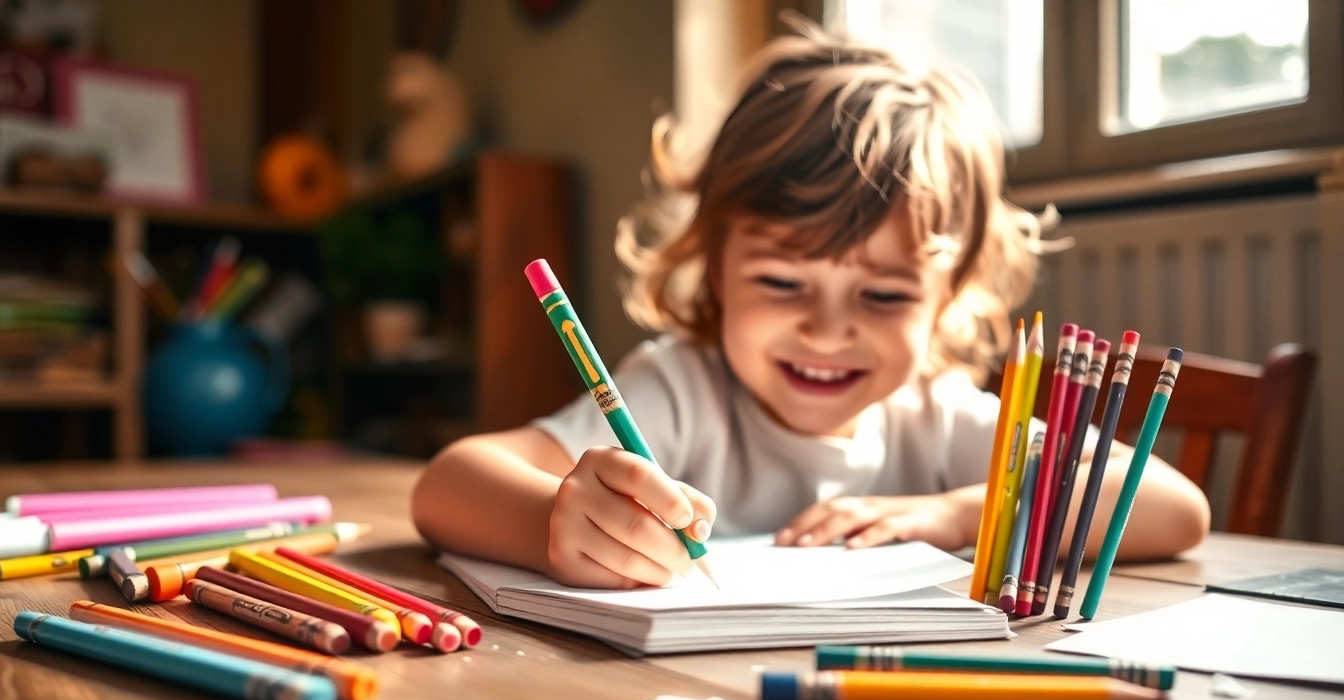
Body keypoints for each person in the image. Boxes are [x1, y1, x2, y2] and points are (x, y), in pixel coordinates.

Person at [412, 19, 1210, 589]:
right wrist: (553, 522)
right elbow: (447, 486)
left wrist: (960, 514)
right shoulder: (679, 391)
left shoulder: (936, 413)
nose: (829, 330)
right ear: (716, 269)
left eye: (886, 293)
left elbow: (1173, 509)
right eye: (783, 283)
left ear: (947, 294)